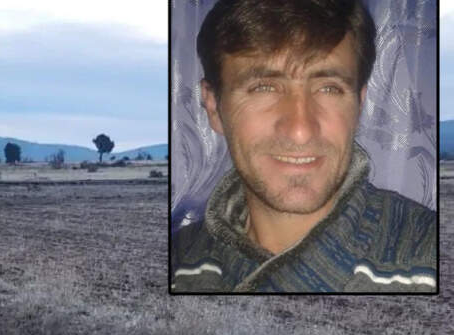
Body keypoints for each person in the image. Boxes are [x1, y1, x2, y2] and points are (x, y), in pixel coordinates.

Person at [171, 0, 436, 293]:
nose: (300, 131)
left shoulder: (428, 253)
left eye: (329, 88)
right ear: (212, 107)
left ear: (359, 105)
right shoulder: (176, 259)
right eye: (264, 87)